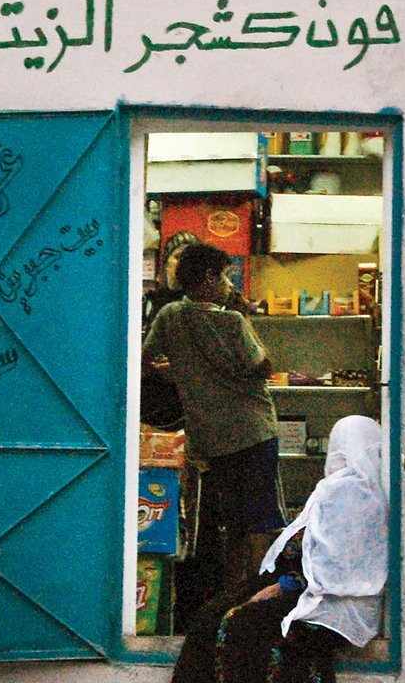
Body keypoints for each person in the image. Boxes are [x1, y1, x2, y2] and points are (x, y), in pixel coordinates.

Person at [172, 416, 387, 683]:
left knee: (241, 623)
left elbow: (335, 571)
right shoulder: (353, 490)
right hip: (308, 587)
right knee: (210, 615)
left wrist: (284, 586)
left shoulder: (351, 494)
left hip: (331, 604)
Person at [143, 243, 284, 596]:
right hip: (252, 432)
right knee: (262, 519)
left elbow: (145, 360)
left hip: (210, 440)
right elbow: (263, 366)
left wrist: (177, 374)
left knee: (232, 521)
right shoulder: (232, 319)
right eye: (223, 275)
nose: (227, 283)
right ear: (208, 277)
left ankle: (231, 594)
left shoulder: (169, 316)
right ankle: (258, 594)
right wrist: (243, 314)